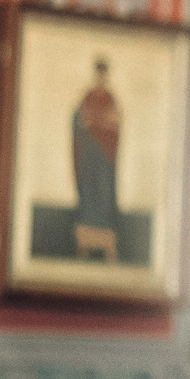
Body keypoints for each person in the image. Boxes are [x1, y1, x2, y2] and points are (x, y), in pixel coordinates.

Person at [71, 56, 122, 262]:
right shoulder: (88, 96)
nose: (101, 77)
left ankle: (106, 244)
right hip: (90, 157)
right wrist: (95, 122)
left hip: (105, 160)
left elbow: (114, 122)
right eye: (98, 73)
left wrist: (97, 122)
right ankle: (85, 244)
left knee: (104, 195)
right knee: (90, 196)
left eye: (104, 74)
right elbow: (81, 121)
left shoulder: (111, 99)